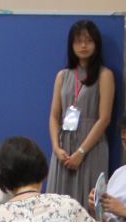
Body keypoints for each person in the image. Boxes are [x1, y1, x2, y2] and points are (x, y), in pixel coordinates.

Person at [46, 19, 115, 202]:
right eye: (78, 41)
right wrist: (56, 147)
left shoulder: (104, 75)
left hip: (91, 146)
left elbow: (104, 118)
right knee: (58, 201)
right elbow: (54, 116)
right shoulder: (62, 75)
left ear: (96, 44)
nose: (83, 46)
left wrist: (81, 152)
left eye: (88, 41)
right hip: (64, 146)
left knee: (87, 199)